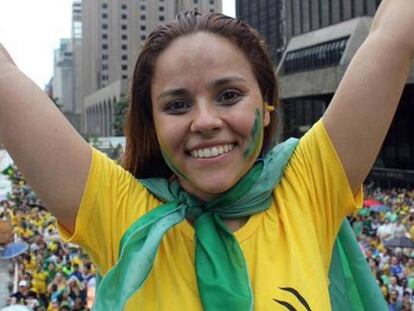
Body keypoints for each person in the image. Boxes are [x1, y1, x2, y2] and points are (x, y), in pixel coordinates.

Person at [0, 1, 413, 310]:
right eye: (177, 105)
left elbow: (394, 32)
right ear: (153, 123)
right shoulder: (120, 212)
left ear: (267, 102)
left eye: (229, 95)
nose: (204, 121)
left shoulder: (308, 186)